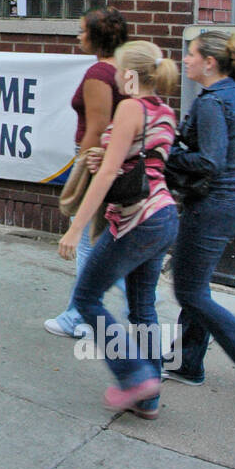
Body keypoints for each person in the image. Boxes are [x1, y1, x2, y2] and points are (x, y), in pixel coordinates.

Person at [59, 41, 179, 417]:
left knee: (86, 299)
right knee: (142, 306)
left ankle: (133, 374)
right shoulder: (164, 110)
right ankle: (149, 396)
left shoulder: (129, 107)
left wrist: (76, 228)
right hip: (163, 216)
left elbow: (111, 171)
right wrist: (104, 155)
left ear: (129, 74)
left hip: (135, 219)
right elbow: (141, 159)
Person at [162, 28, 235, 401]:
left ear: (209, 62)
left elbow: (208, 160)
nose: (185, 60)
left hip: (212, 206)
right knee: (197, 285)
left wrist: (164, 155)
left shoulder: (211, 103)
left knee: (188, 290)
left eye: (191, 54)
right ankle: (188, 362)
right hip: (233, 202)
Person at [45, 5, 129, 337]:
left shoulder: (98, 75)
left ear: (97, 36)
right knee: (104, 242)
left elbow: (97, 128)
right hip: (116, 161)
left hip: (95, 160)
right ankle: (133, 301)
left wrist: (84, 169)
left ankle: (78, 317)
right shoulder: (122, 69)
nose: (78, 36)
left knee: (86, 243)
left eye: (83, 31)